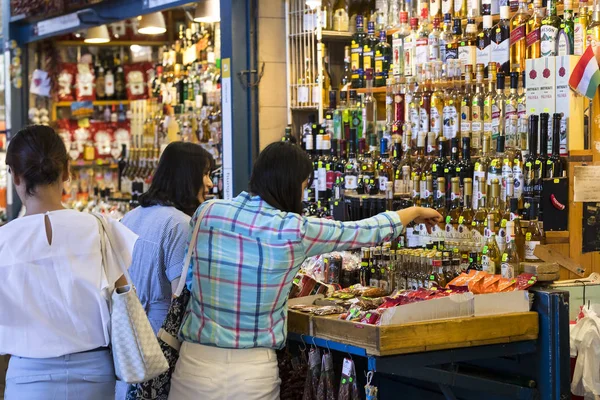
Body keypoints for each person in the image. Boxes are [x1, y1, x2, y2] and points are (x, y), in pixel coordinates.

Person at [168, 141, 442, 400]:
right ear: (293, 185)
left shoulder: (207, 213)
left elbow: (190, 280)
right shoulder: (294, 229)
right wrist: (413, 211)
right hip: (251, 373)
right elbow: (363, 231)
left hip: (195, 365)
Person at [0, 125, 138, 400]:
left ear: (14, 176)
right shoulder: (100, 228)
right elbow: (123, 298)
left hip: (28, 376)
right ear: (66, 171)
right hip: (95, 374)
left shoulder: (4, 240)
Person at [116, 142, 213, 399]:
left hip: (129, 345)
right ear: (186, 176)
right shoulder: (179, 225)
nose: (210, 184)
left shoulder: (131, 216)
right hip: (162, 350)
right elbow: (181, 300)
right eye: (205, 174)